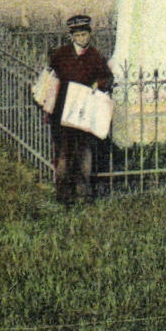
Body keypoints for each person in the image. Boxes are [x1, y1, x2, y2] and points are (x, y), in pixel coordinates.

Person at [44, 14, 113, 206]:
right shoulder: (61, 55)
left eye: (85, 35)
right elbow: (51, 78)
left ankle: (83, 194)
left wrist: (97, 84)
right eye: (78, 35)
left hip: (84, 114)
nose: (82, 39)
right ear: (72, 36)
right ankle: (64, 194)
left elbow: (106, 77)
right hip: (63, 112)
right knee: (64, 154)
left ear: (89, 34)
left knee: (84, 153)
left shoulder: (94, 56)